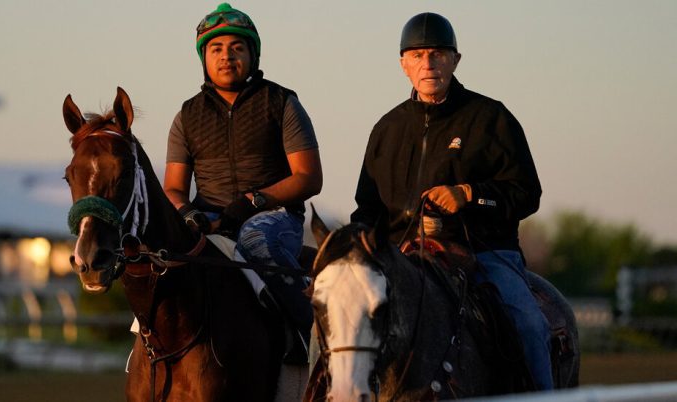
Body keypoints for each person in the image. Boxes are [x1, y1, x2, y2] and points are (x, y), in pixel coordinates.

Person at [350, 12, 553, 390]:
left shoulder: (491, 118)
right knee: (338, 319)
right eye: (418, 55)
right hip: (401, 257)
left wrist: (470, 195)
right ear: (403, 65)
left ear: (456, 60)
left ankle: (545, 400)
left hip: (484, 254)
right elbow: (367, 209)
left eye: (439, 54)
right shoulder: (386, 129)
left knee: (527, 322)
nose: (429, 64)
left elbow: (527, 193)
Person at [163, 3, 322, 365]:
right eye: (216, 49)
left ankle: (308, 341)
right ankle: (152, 354)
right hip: (209, 217)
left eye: (237, 47)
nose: (226, 56)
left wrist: (253, 202)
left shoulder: (282, 102)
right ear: (204, 58)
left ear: (253, 54)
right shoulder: (187, 114)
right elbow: (173, 188)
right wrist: (187, 213)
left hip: (273, 216)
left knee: (255, 238)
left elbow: (309, 177)